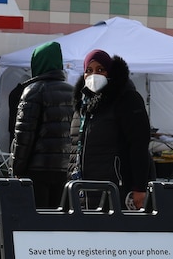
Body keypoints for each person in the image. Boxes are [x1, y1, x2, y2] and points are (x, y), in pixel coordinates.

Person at [71, 49, 155, 210]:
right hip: (84, 190)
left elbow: (139, 146)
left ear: (110, 72)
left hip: (117, 189)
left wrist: (140, 188)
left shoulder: (126, 100)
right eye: (88, 70)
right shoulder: (82, 107)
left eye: (100, 70)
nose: (93, 75)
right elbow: (74, 149)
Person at [10, 41, 75, 208]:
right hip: (62, 169)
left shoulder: (33, 91)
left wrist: (17, 169)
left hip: (36, 171)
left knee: (35, 221)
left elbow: (24, 136)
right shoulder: (72, 92)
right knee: (54, 222)